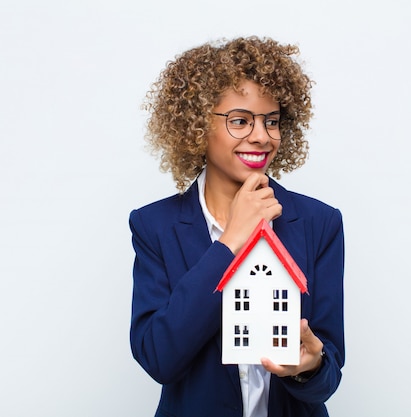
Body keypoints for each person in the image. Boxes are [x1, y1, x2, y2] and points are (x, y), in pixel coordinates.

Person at [129, 36, 345, 417]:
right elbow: (158, 357)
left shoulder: (319, 223)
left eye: (272, 121)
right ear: (195, 126)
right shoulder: (154, 226)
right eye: (240, 120)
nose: (261, 136)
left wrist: (309, 367)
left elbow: (329, 374)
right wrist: (229, 243)